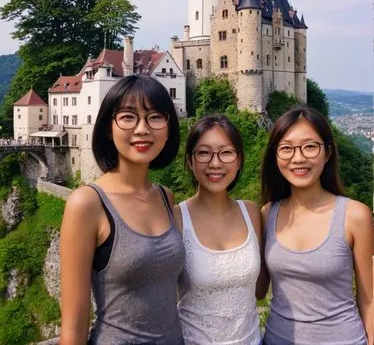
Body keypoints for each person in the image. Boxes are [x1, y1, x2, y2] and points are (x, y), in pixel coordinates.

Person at [60, 75, 185, 345]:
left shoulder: (165, 197)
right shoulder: (87, 203)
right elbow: (73, 325)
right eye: (128, 117)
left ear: (168, 127)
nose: (142, 129)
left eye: (155, 117)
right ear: (108, 127)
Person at [257, 106, 373, 345]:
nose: (298, 158)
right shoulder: (268, 214)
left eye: (310, 146)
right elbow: (258, 290)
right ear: (275, 156)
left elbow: (369, 300)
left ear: (327, 152)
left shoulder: (354, 215)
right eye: (286, 148)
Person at [175, 115, 262, 345]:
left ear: (239, 160)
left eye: (226, 153)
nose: (215, 163)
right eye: (204, 153)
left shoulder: (252, 213)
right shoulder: (175, 218)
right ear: (190, 161)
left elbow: (261, 289)